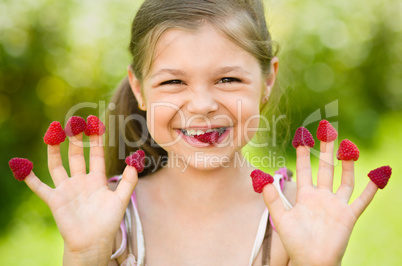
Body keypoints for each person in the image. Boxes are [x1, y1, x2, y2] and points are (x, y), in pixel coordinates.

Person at [20, 0, 379, 265]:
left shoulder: (297, 217)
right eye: (174, 81)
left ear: (268, 80)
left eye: (228, 79)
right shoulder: (110, 217)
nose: (202, 105)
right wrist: (85, 254)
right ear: (140, 88)